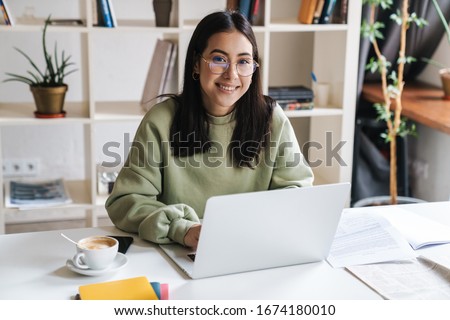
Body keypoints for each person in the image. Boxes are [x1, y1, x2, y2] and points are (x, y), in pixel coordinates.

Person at [106, 10, 314, 250]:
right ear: (196, 64)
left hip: (254, 246)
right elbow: (125, 202)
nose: (231, 74)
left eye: (243, 62)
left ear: (254, 68)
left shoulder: (271, 118)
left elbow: (297, 192)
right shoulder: (161, 120)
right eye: (219, 59)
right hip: (181, 250)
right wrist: (182, 229)